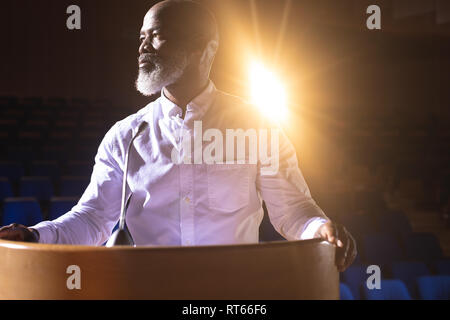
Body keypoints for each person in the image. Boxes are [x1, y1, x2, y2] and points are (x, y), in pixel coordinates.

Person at [0, 0, 356, 271]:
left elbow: (292, 210)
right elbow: (94, 218)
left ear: (202, 47)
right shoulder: (125, 136)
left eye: (155, 34)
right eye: (141, 37)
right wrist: (35, 234)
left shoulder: (257, 125)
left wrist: (320, 228)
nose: (143, 46)